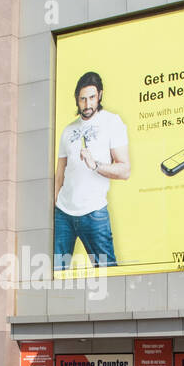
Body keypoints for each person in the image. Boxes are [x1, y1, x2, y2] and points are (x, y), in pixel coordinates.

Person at [53, 71, 130, 270]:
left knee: (108, 275)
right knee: (55, 274)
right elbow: (60, 172)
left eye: (92, 98)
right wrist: (55, 203)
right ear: (77, 100)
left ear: (100, 95)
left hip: (94, 213)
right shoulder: (68, 130)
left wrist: (95, 164)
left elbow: (124, 170)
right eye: (83, 99)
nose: (87, 105)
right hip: (63, 213)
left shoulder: (112, 122)